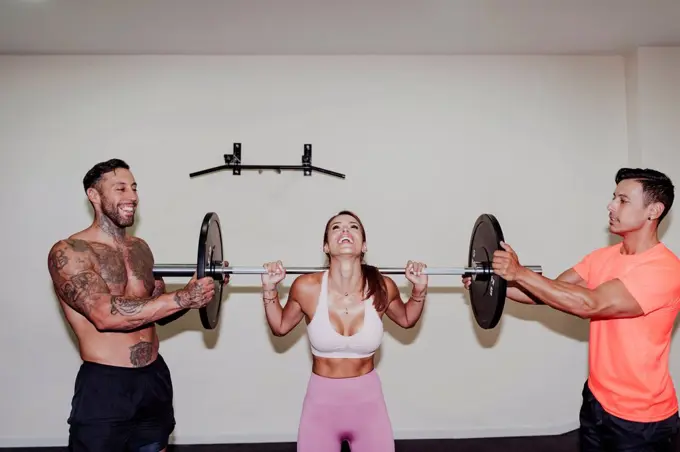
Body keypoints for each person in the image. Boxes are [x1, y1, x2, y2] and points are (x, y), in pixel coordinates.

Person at [464, 167, 680, 451]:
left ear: (653, 210)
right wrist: (490, 282)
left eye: (623, 200)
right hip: (596, 400)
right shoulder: (602, 257)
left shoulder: (665, 270)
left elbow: (591, 303)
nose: (611, 205)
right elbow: (549, 293)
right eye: (613, 197)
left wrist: (519, 272)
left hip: (641, 420)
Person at [47, 158, 229, 452]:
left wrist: (202, 286)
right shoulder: (69, 251)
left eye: (133, 188)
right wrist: (183, 297)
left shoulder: (140, 248)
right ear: (94, 195)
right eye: (120, 188)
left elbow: (159, 310)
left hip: (153, 377)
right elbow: (104, 315)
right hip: (106, 383)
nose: (132, 196)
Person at [260, 210, 428, 452]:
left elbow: (406, 318)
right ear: (326, 246)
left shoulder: (382, 286)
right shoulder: (306, 287)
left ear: (364, 245)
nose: (345, 230)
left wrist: (419, 292)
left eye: (353, 227)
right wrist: (269, 290)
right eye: (336, 227)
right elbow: (280, 326)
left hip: (368, 408)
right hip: (321, 409)